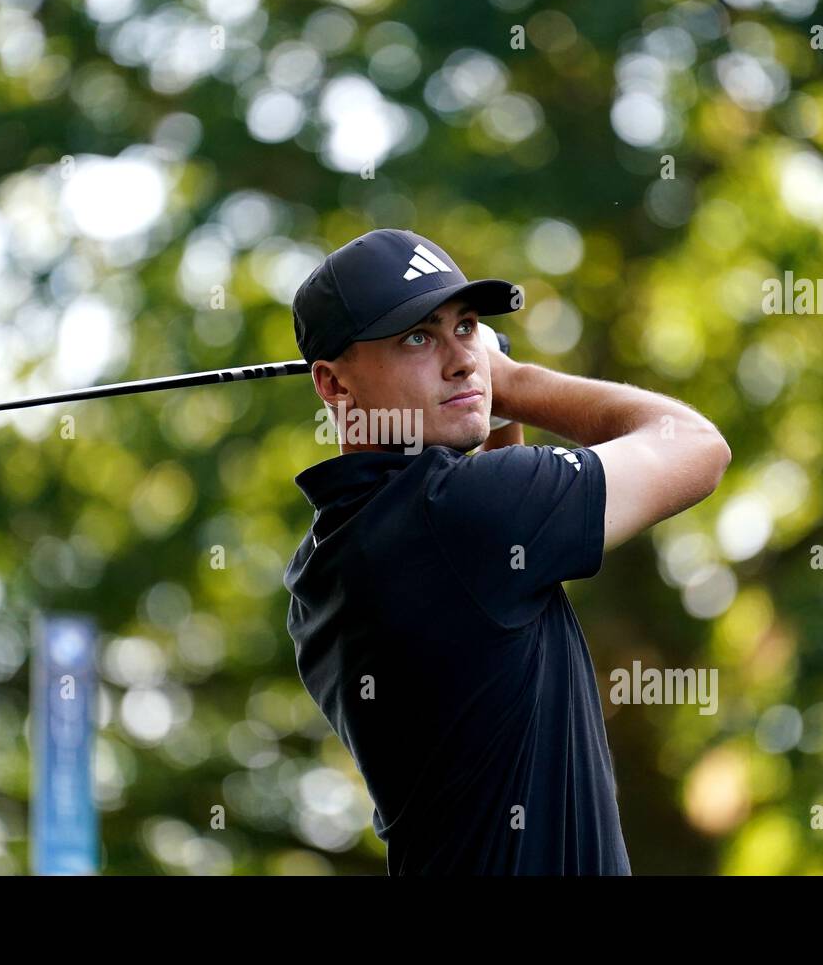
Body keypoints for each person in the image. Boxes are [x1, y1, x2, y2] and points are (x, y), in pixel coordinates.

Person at [283, 228, 731, 874]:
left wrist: (488, 411)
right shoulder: (456, 516)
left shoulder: (327, 560)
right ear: (333, 384)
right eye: (418, 336)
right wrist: (514, 381)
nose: (462, 359)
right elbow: (696, 445)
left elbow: (509, 580)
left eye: (466, 326)